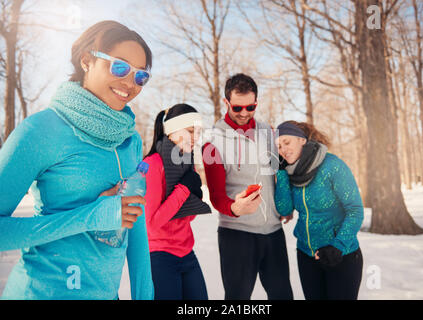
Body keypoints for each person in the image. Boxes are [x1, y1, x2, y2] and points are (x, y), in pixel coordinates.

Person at [0, 21, 153, 300]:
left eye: (141, 76)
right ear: (87, 60)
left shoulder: (130, 140)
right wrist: (89, 217)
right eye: (120, 67)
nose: (130, 83)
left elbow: (135, 222)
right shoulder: (42, 130)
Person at [202, 73, 293, 300]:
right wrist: (234, 208)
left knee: (283, 296)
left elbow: (279, 173)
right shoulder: (213, 142)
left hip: (273, 232)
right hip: (237, 235)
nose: (244, 113)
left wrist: (285, 203)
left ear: (256, 103)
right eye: (237, 107)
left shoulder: (269, 133)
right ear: (226, 103)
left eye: (250, 107)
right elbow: (216, 196)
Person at [274, 121, 364, 300]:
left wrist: (337, 246)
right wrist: (281, 172)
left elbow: (355, 210)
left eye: (286, 142)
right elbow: (284, 209)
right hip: (307, 256)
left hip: (341, 255)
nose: (283, 149)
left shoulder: (332, 165)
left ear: (302, 140)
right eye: (278, 146)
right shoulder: (291, 171)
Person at [143, 104, 211, 300]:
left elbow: (187, 218)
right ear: (172, 130)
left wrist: (194, 197)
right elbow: (152, 224)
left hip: (186, 252)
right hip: (160, 256)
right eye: (190, 130)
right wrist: (184, 190)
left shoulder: (187, 163)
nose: (196, 137)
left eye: (198, 131)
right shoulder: (153, 165)